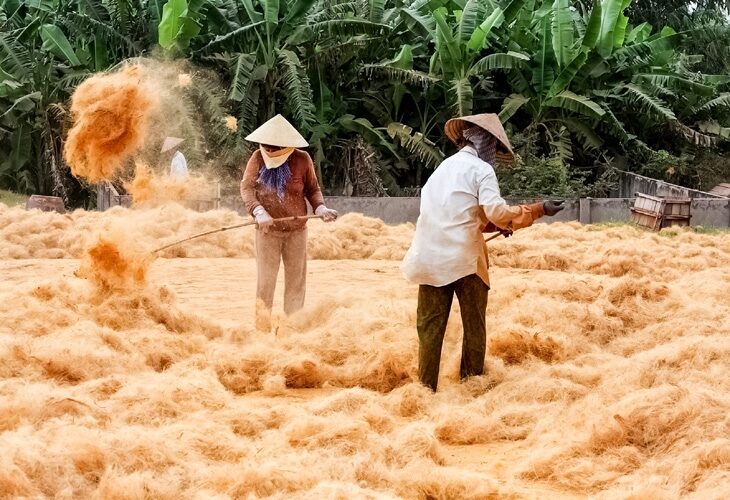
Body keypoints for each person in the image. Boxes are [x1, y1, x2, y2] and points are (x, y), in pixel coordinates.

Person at [402, 113, 565, 391]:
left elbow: (462, 215)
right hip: (464, 260)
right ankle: (471, 385)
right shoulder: (481, 170)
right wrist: (537, 209)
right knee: (474, 326)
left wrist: (493, 225)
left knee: (429, 330)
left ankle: (424, 390)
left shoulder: (440, 170)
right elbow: (497, 212)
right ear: (487, 143)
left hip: (427, 258)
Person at [240, 114, 338, 331]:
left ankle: (292, 328)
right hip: (267, 231)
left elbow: (313, 189)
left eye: (277, 148)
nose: (271, 152)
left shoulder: (302, 160)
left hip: (296, 230)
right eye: (268, 147)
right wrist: (258, 211)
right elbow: (247, 188)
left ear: (288, 146)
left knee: (296, 281)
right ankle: (262, 329)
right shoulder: (257, 158)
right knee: (266, 282)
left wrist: (320, 208)